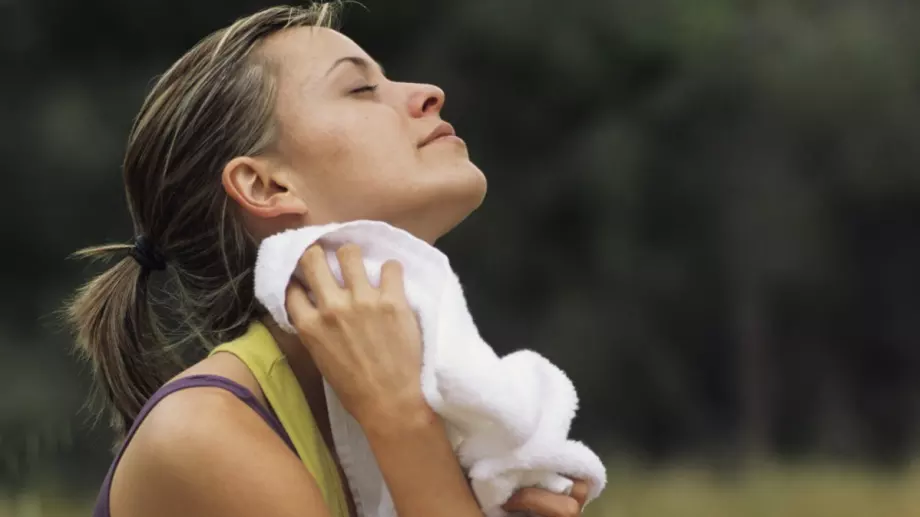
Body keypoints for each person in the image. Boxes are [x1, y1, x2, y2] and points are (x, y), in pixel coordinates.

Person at [65, 4, 591, 517]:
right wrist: (401, 423)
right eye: (362, 89)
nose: (429, 93)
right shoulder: (203, 431)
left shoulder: (439, 405)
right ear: (266, 185)